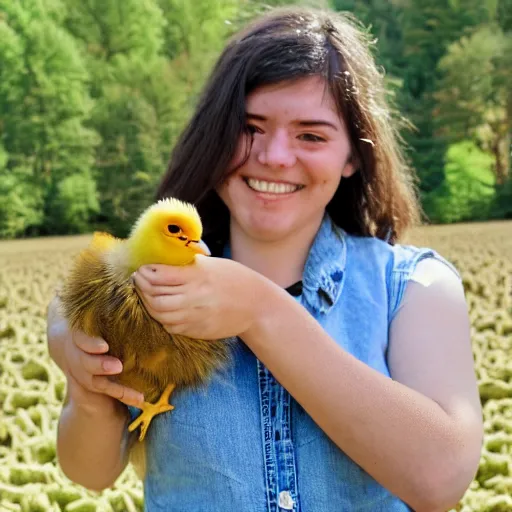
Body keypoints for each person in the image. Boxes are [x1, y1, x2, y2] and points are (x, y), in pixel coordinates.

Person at [46, 6, 483, 511]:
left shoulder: (415, 289)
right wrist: (87, 384)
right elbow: (91, 471)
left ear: (352, 157)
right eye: (250, 127)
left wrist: (262, 310)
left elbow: (441, 478)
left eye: (311, 135)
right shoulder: (141, 290)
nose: (275, 156)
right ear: (213, 136)